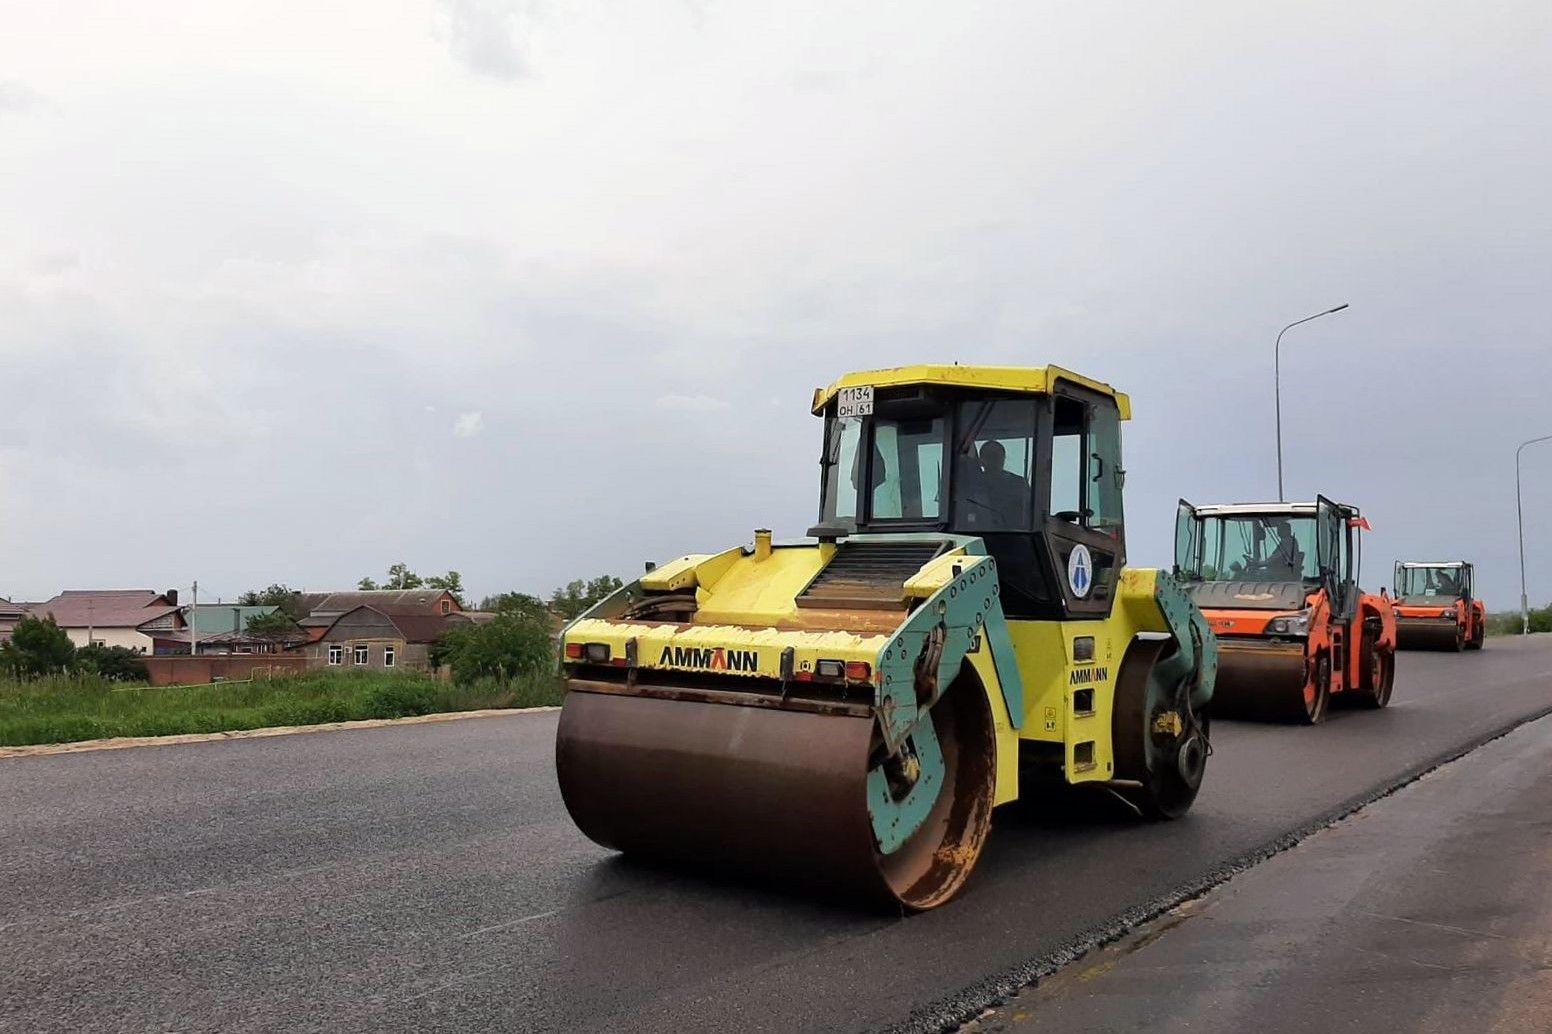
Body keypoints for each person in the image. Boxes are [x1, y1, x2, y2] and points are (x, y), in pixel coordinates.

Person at [978, 440, 1029, 527]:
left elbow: (1029, 512)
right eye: (990, 456)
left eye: (997, 456)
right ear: (981, 460)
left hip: (1012, 534)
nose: (994, 460)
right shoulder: (974, 484)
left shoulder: (1018, 483)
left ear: (1003, 458)